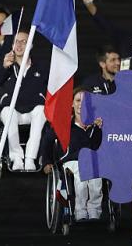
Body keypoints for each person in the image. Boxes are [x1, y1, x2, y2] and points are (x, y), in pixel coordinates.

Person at [40, 90, 104, 221]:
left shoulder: (97, 125)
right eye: (78, 100)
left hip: (93, 162)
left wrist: (100, 129)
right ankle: (80, 212)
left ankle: (94, 212)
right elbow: (47, 140)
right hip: (71, 161)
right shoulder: (64, 125)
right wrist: (47, 162)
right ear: (72, 104)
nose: (81, 104)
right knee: (81, 175)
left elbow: (101, 147)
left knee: (95, 180)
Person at [0, 31, 49, 171]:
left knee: (41, 110)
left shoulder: (41, 67)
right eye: (16, 41)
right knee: (8, 112)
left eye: (24, 41)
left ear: (31, 45)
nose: (19, 44)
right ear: (12, 45)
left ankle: (30, 158)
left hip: (33, 109)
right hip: (12, 110)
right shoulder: (6, 64)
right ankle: (16, 158)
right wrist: (4, 67)